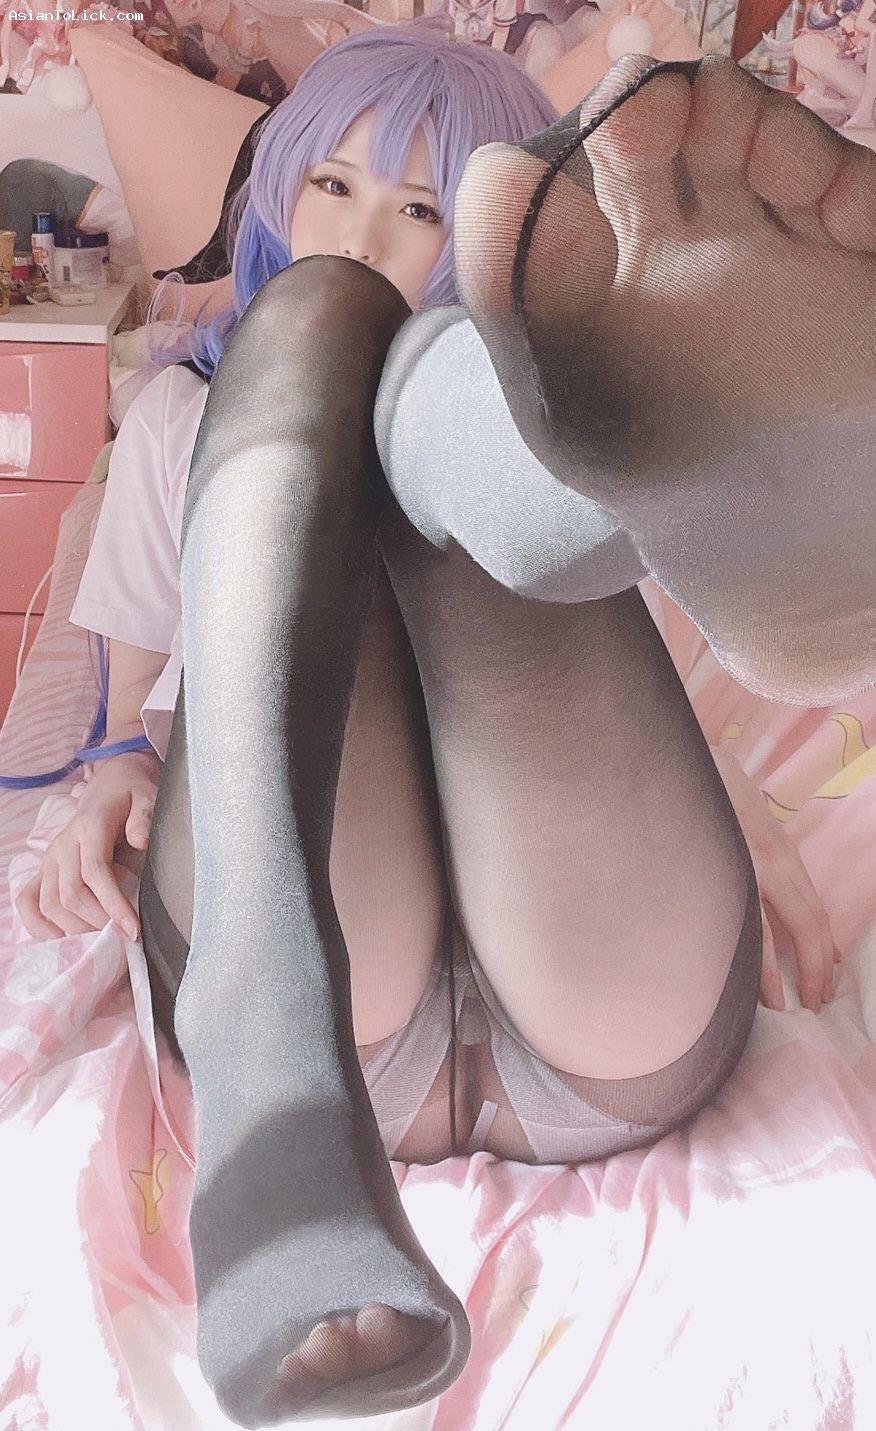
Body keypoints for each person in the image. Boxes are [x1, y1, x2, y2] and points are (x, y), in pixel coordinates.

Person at [14, 31, 857, 1430]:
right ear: (280, 190)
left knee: (441, 378)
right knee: (320, 334)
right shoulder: (170, 419)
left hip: (555, 984)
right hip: (375, 949)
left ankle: (681, 464)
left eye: (422, 206)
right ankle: (690, 462)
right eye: (334, 187)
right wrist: (110, 777)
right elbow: (124, 697)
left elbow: (612, 699)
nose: (365, 234)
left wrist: (736, 814)